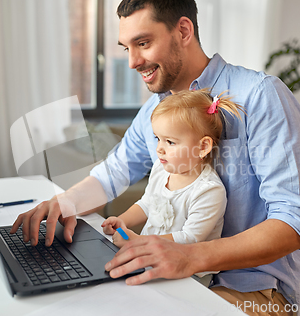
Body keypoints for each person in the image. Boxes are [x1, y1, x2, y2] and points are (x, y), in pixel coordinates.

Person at [11, 0, 300, 315]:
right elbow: (114, 172)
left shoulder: (259, 96)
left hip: (251, 288)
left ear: (183, 31)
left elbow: (297, 218)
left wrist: (191, 256)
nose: (132, 62)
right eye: (126, 47)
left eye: (143, 43)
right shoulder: (155, 111)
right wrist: (64, 203)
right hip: (177, 277)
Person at [101, 89, 243, 249]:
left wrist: (139, 242)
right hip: (151, 257)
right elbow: (147, 204)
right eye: (157, 139)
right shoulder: (160, 170)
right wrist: (123, 221)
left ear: (203, 147)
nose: (159, 149)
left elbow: (191, 238)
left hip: (188, 269)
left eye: (170, 142)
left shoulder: (208, 190)